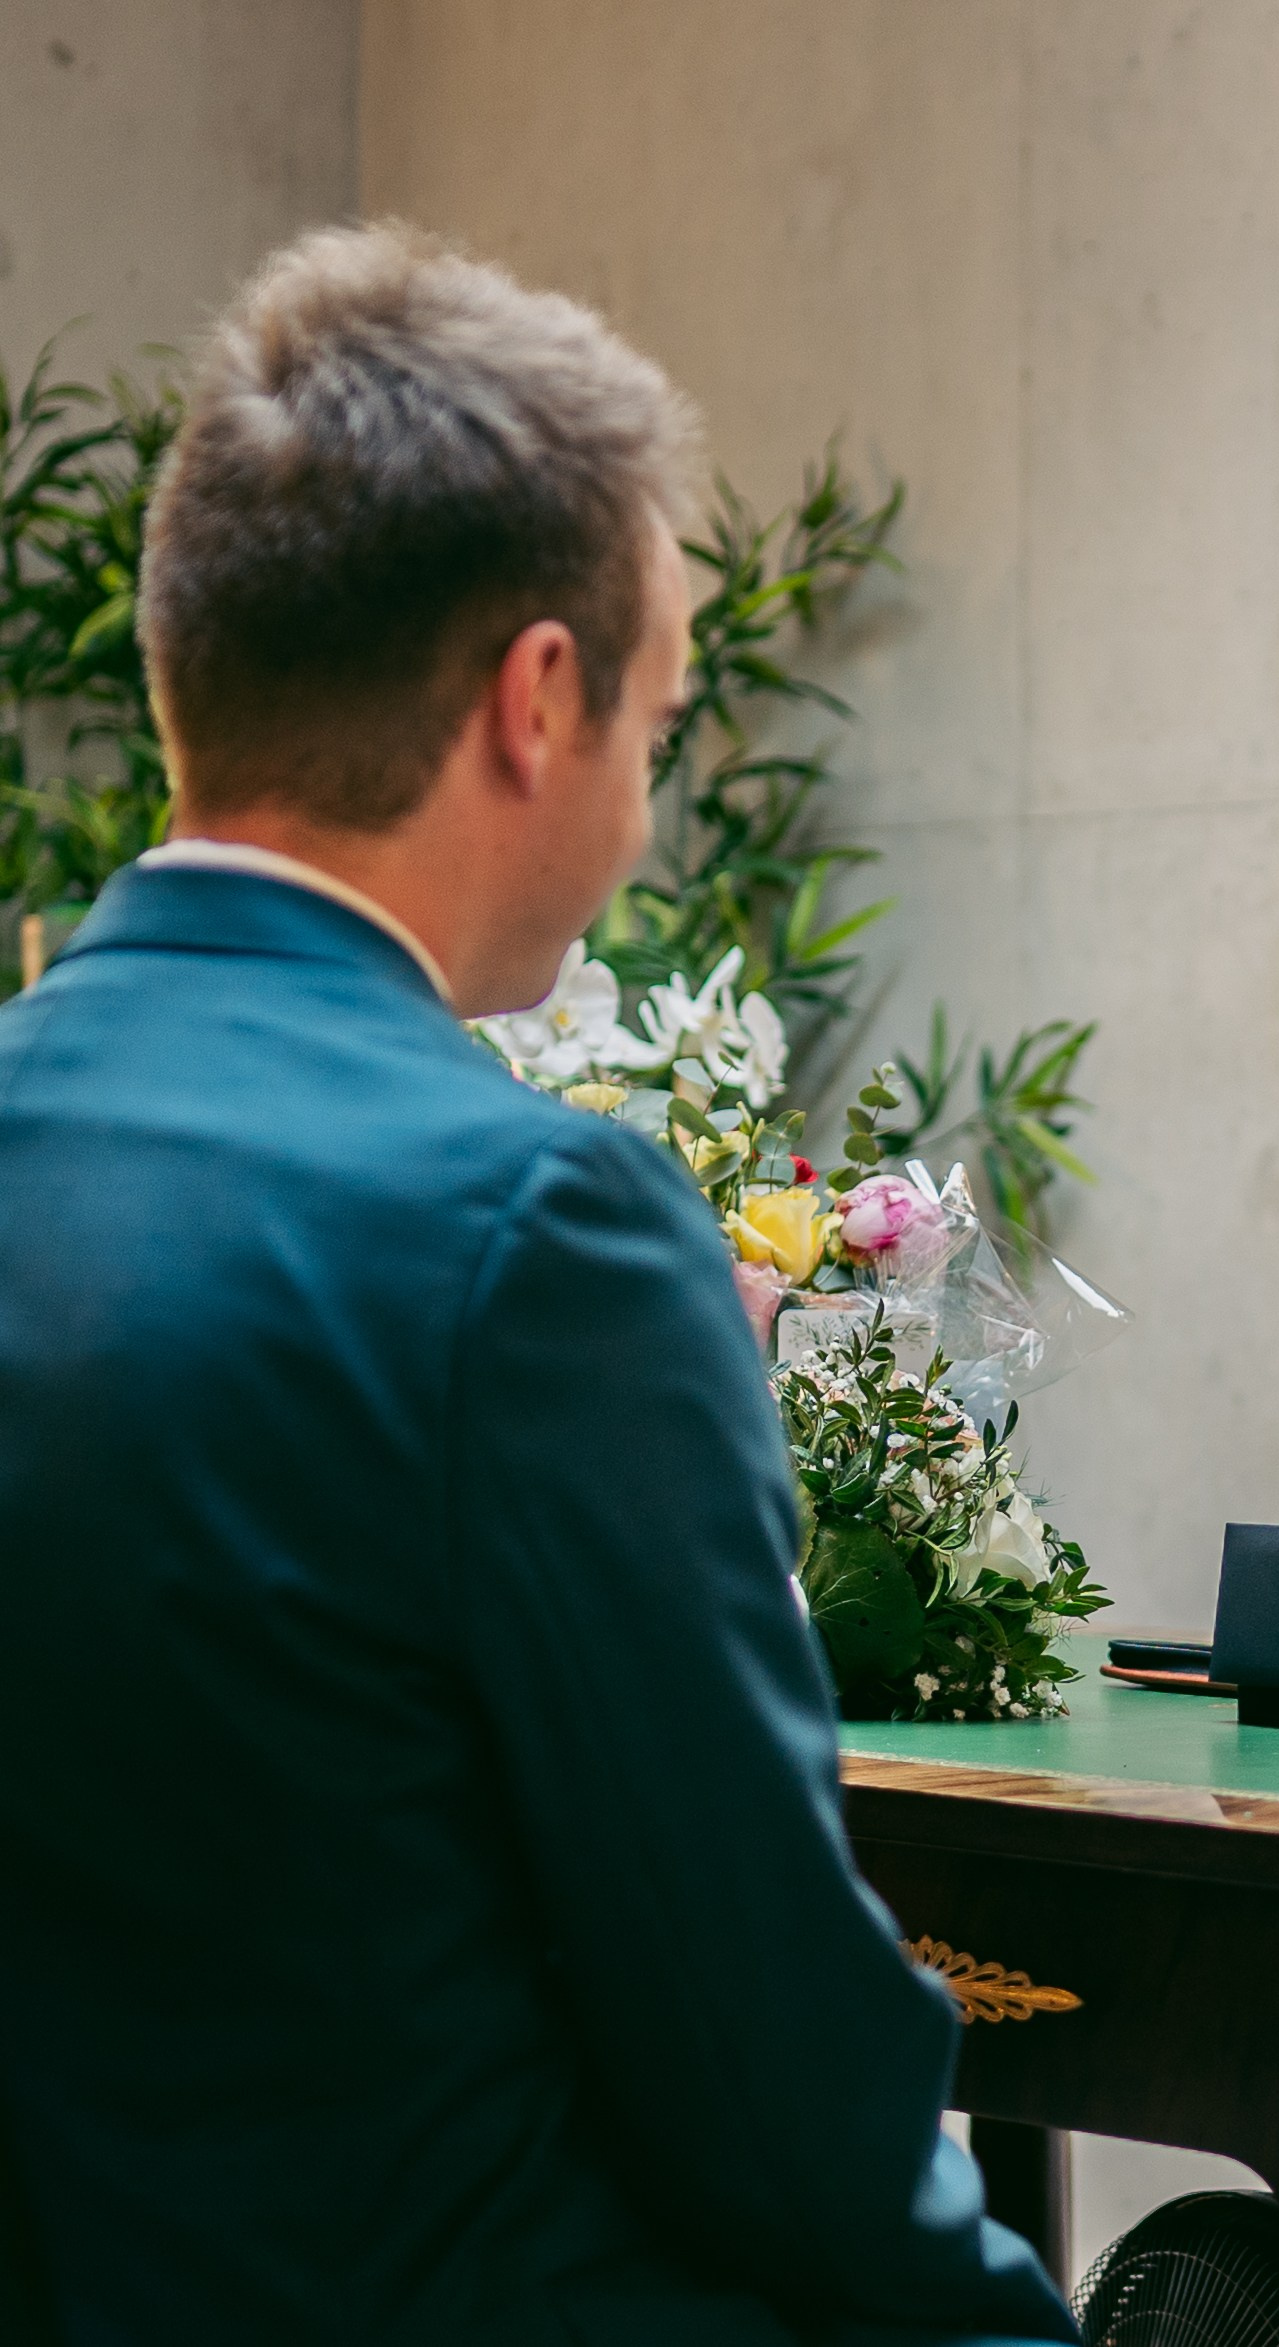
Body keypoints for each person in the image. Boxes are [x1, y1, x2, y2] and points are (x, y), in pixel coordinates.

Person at [0, 224, 1077, 2347]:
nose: (650, 808)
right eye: (662, 723)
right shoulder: (541, 1240)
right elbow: (780, 2085)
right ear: (538, 698)